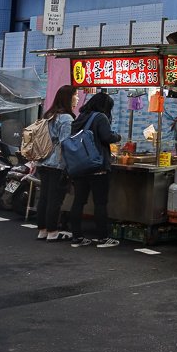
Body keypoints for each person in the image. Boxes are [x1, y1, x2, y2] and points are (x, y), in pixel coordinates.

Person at [68, 92, 123, 248]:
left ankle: (77, 238)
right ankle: (103, 238)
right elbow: (106, 137)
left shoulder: (82, 116)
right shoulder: (100, 117)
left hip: (80, 166)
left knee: (78, 202)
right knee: (100, 203)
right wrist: (117, 137)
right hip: (97, 166)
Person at [36, 86, 77, 242]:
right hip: (57, 163)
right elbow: (66, 143)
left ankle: (42, 230)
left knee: (44, 198)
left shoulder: (48, 114)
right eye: (76, 95)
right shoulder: (66, 118)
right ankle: (53, 232)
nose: (77, 98)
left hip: (43, 162)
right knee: (55, 199)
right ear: (69, 98)